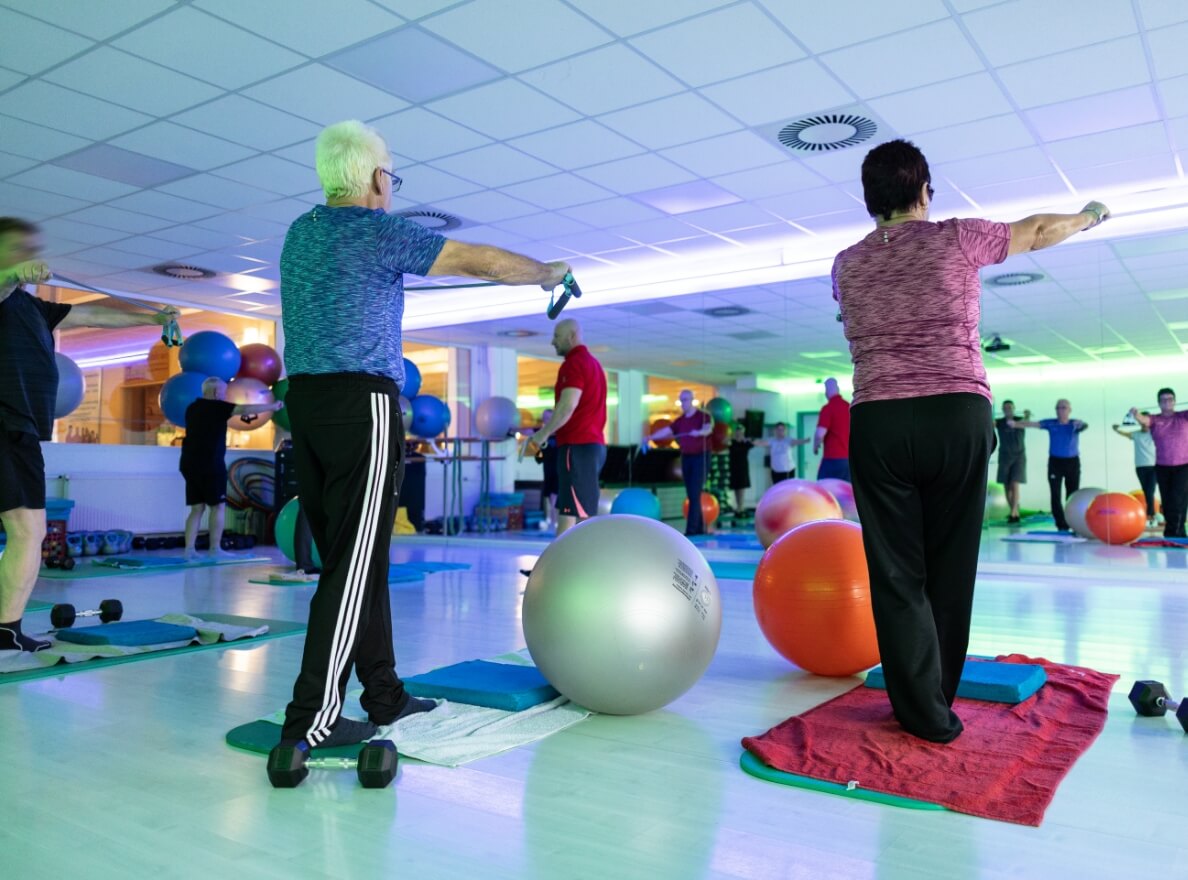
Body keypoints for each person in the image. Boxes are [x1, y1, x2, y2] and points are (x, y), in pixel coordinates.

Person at [278, 120, 571, 751]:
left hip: (305, 403)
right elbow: (477, 260)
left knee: (355, 559)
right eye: (392, 174)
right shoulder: (379, 230)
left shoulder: (301, 233)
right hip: (363, 403)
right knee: (353, 568)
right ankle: (311, 719)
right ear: (379, 180)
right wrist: (546, 272)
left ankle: (382, 691)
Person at [833, 138, 1107, 742]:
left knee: (896, 572)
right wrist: (1089, 217)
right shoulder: (955, 235)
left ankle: (918, 711)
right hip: (955, 413)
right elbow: (1036, 230)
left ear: (869, 199)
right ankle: (939, 701)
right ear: (925, 190)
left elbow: (851, 314)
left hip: (878, 420)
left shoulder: (845, 263)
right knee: (950, 565)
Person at [0, 216, 179, 652]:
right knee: (26, 530)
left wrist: (153, 316)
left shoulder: (34, 307)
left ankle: (5, 629)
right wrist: (9, 275)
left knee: (29, 531)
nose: (28, 255)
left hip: (20, 430)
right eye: (16, 248)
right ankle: (3, 631)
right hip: (3, 426)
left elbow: (95, 313)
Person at [180, 378, 283, 560]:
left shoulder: (192, 408)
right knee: (218, 507)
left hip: (189, 464)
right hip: (210, 464)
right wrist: (272, 406)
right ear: (215, 393)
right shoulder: (217, 407)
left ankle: (189, 550)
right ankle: (215, 549)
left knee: (197, 508)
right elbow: (244, 410)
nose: (225, 396)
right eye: (224, 392)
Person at [521, 320, 607, 537]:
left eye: (557, 336)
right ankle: (566, 565)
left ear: (572, 336)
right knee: (574, 509)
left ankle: (564, 567)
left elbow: (568, 405)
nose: (553, 341)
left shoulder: (574, 363)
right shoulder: (594, 364)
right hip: (591, 446)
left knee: (575, 511)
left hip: (577, 446)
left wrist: (541, 435)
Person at [1009, 400, 1089, 532]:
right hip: (1055, 462)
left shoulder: (1074, 424)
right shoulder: (1051, 423)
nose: (1060, 410)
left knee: (1072, 494)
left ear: (1069, 410)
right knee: (1055, 494)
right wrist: (1015, 424)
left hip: (1072, 462)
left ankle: (1073, 522)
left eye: (1063, 408)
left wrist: (1083, 424)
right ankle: (1061, 524)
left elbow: (1085, 426)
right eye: (1058, 408)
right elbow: (1032, 424)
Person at [644, 390, 714, 535]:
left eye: (686, 400)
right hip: (686, 457)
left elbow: (708, 429)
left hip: (701, 457)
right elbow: (667, 431)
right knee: (691, 493)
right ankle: (699, 528)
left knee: (694, 493)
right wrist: (650, 437)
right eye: (681, 400)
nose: (683, 403)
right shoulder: (680, 421)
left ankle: (692, 530)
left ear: (692, 400)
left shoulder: (703, 416)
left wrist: (700, 432)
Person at [1131, 389, 1188, 538]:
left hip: (1183, 466)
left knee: (1178, 499)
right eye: (1163, 400)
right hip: (1162, 467)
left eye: (1170, 399)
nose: (1167, 402)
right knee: (1167, 501)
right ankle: (1175, 532)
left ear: (1174, 401)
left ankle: (1176, 533)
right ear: (1159, 403)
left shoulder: (1183, 416)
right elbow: (1144, 420)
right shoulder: (1155, 419)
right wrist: (1136, 414)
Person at [1113, 415, 1158, 528]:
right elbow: (1124, 433)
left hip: (1154, 466)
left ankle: (1150, 515)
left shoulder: (1155, 433)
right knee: (1146, 490)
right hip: (1140, 467)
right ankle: (1150, 515)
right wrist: (1116, 428)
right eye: (1141, 422)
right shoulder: (1136, 434)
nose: (1144, 424)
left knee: (1150, 491)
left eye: (1146, 422)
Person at [994, 400, 1030, 523]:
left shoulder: (1020, 420)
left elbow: (1027, 422)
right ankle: (1014, 511)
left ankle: (1014, 512)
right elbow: (990, 424)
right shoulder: (999, 422)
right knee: (1006, 485)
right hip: (1004, 456)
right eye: (1005, 407)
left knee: (1015, 483)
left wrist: (1027, 414)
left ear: (1014, 408)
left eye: (1010, 407)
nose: (1008, 409)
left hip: (1019, 456)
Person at [814, 378, 852, 481]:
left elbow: (819, 434)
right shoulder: (849, 407)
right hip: (849, 459)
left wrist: (815, 446)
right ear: (838, 389)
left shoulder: (828, 408)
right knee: (845, 491)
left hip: (832, 458)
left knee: (823, 489)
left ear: (826, 390)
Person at [535, 407, 559, 530]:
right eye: (544, 419)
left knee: (554, 497)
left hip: (558, 471)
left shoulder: (558, 436)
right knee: (550, 497)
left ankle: (554, 521)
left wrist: (544, 445)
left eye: (548, 418)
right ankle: (551, 519)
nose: (545, 421)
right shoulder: (546, 436)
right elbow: (539, 458)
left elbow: (553, 453)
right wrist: (540, 446)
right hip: (548, 472)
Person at [728, 422, 753, 513]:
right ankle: (738, 505)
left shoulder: (745, 443)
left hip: (743, 467)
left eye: (741, 432)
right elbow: (723, 441)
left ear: (743, 433)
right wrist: (731, 437)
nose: (739, 433)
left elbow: (754, 443)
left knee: (742, 487)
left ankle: (741, 506)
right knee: (735, 487)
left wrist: (746, 439)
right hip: (733, 467)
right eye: (737, 432)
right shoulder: (732, 442)